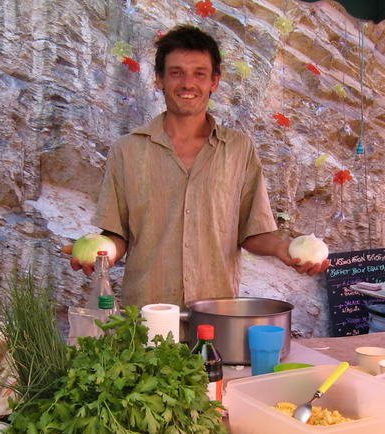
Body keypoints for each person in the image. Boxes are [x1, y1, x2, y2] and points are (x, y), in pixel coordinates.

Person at [68, 25, 330, 308]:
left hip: (216, 314)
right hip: (148, 315)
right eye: (176, 73)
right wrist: (99, 254)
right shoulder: (128, 151)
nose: (187, 84)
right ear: (159, 80)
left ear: (214, 81)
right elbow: (116, 234)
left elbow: (253, 231)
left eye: (199, 74)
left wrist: (285, 249)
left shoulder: (238, 150)